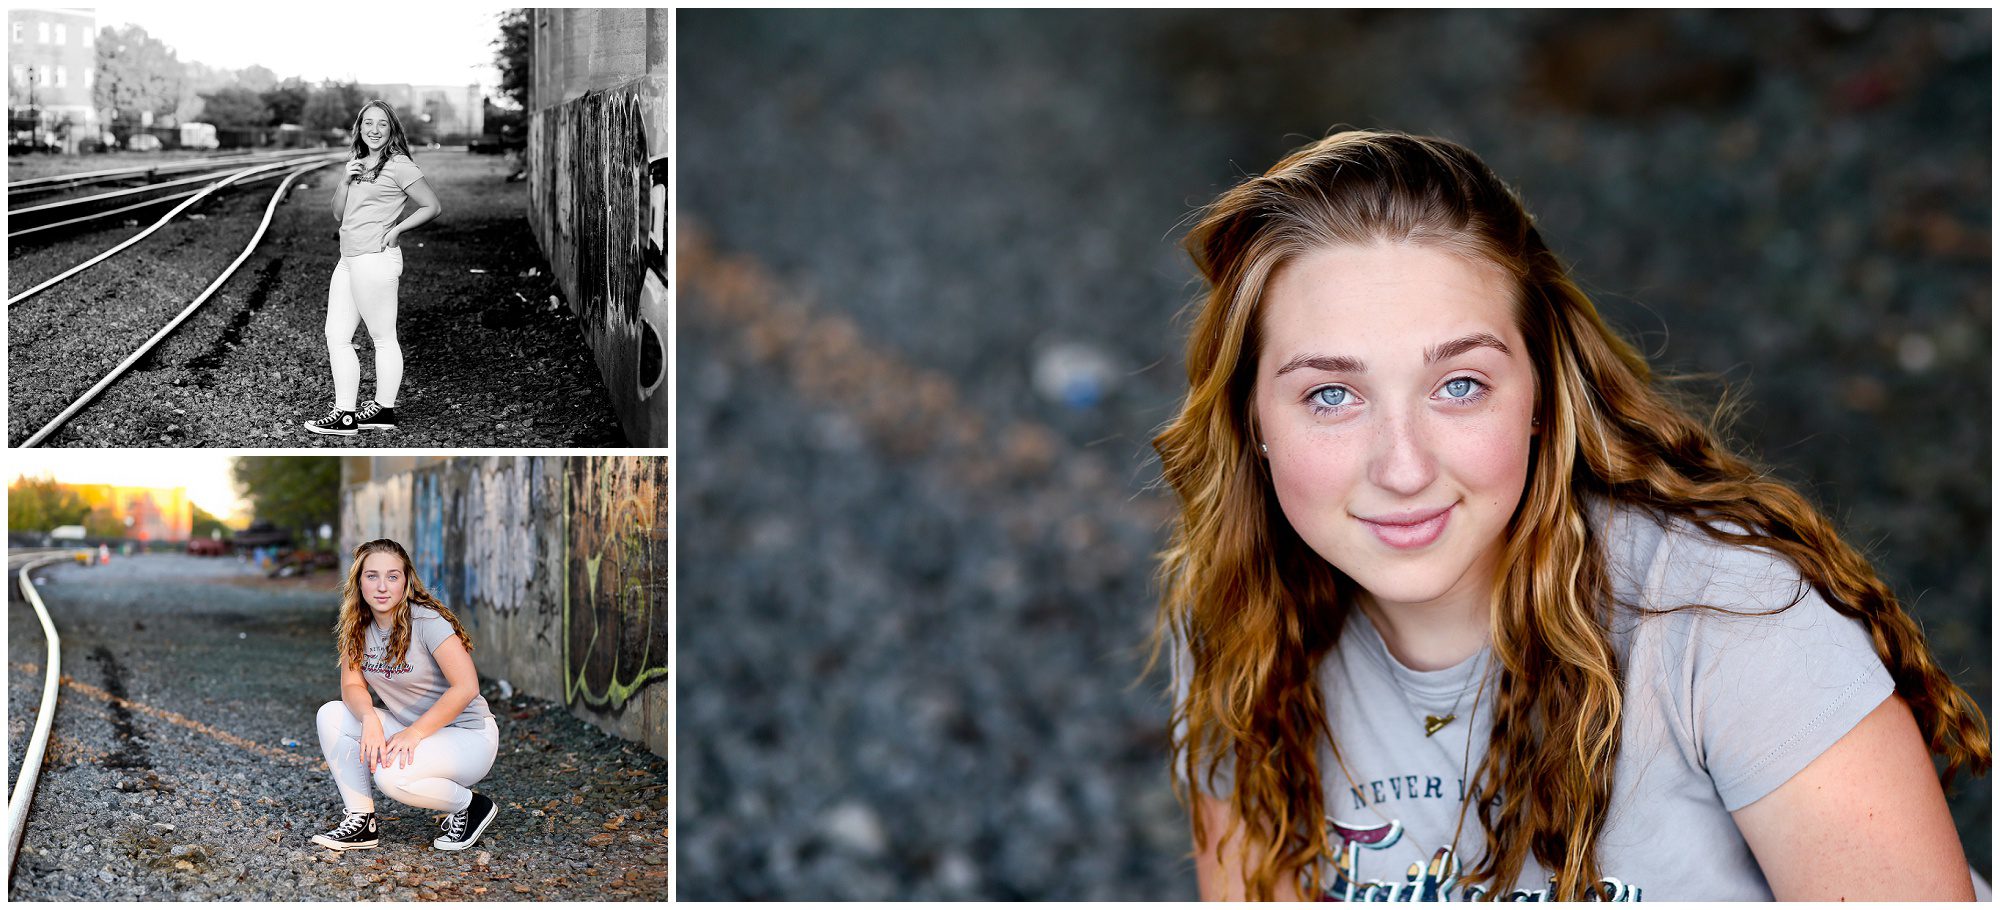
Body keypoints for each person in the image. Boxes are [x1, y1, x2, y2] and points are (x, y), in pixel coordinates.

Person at [1153, 129, 1989, 901]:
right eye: (1331, 395)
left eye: (1460, 385)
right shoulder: (1241, 617)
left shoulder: (1729, 626)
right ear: (1251, 420)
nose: (1402, 468)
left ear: (1541, 396)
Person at [311, 538, 499, 852]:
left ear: (406, 582)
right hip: (416, 732)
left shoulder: (426, 621)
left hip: (467, 737)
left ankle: (471, 806)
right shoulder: (357, 625)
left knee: (390, 777)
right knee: (331, 714)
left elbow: (467, 687)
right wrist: (370, 717)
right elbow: (352, 686)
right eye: (372, 576)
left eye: (392, 576)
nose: (382, 586)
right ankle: (361, 821)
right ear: (359, 581)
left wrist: (414, 733)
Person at [304, 101, 443, 436]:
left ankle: (383, 410)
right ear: (360, 127)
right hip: (349, 259)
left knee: (382, 338)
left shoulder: (399, 165)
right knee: (336, 336)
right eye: (369, 123)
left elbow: (432, 205)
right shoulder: (357, 164)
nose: (375, 129)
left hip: (375, 259)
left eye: (382, 123)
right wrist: (344, 180)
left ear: (391, 128)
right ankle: (346, 415)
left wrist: (396, 231)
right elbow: (339, 214)